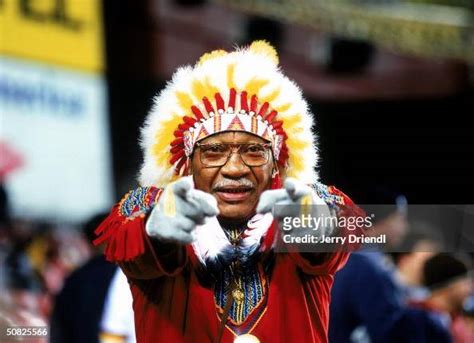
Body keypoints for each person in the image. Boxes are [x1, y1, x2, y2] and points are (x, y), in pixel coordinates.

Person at [94, 41, 364, 343]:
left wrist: (317, 226)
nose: (234, 168)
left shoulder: (303, 202)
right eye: (213, 152)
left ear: (277, 162)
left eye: (253, 151)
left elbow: (348, 227)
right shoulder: (149, 205)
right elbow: (125, 242)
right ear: (188, 163)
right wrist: (155, 233)